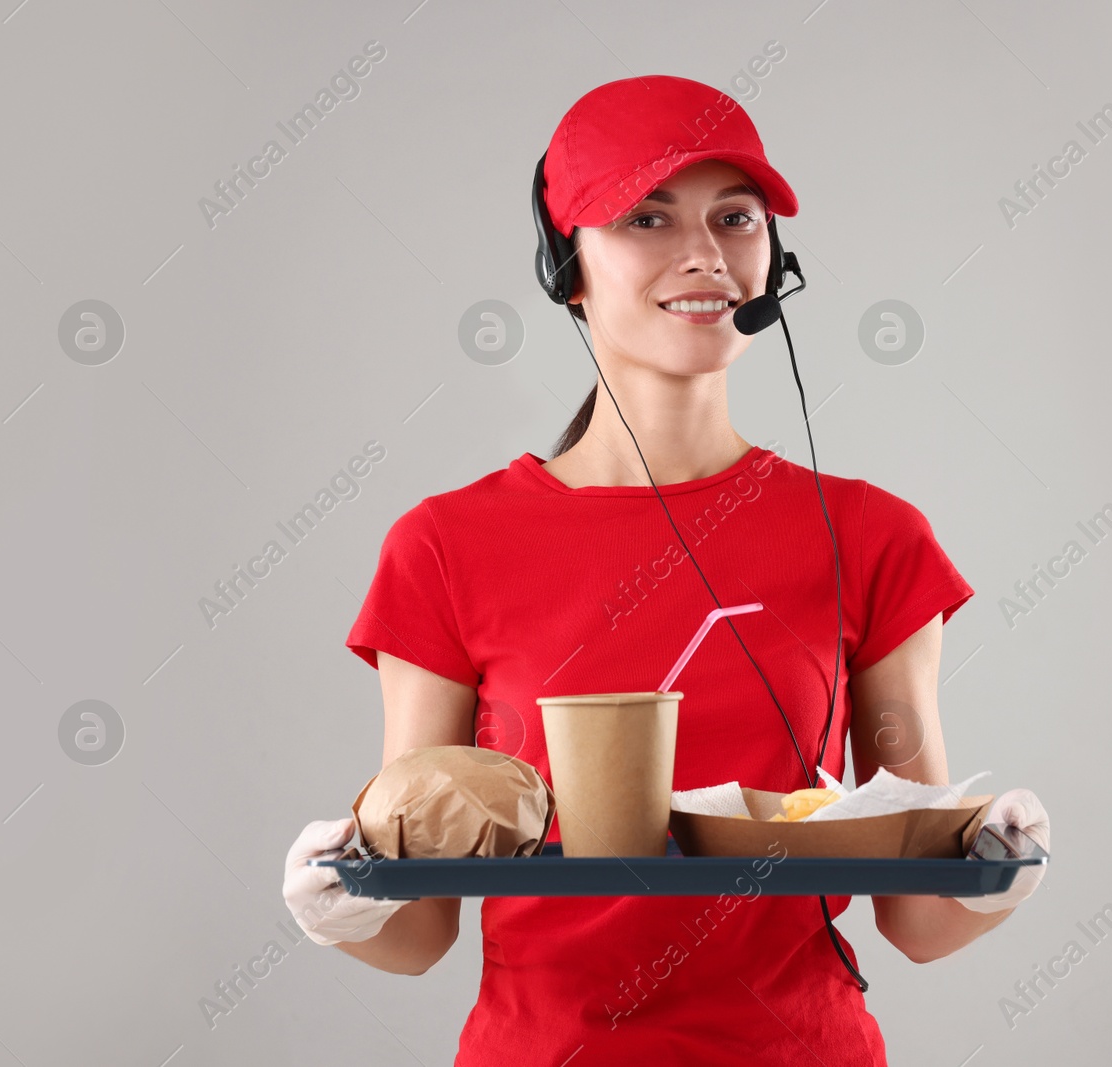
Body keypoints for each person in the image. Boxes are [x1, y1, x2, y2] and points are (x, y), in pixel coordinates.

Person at [281, 74, 1050, 1065]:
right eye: (646, 216)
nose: (703, 254)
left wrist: (998, 868)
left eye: (736, 216)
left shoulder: (872, 534)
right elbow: (421, 928)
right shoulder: (444, 545)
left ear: (775, 257)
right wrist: (340, 903)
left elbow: (914, 914)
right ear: (569, 268)